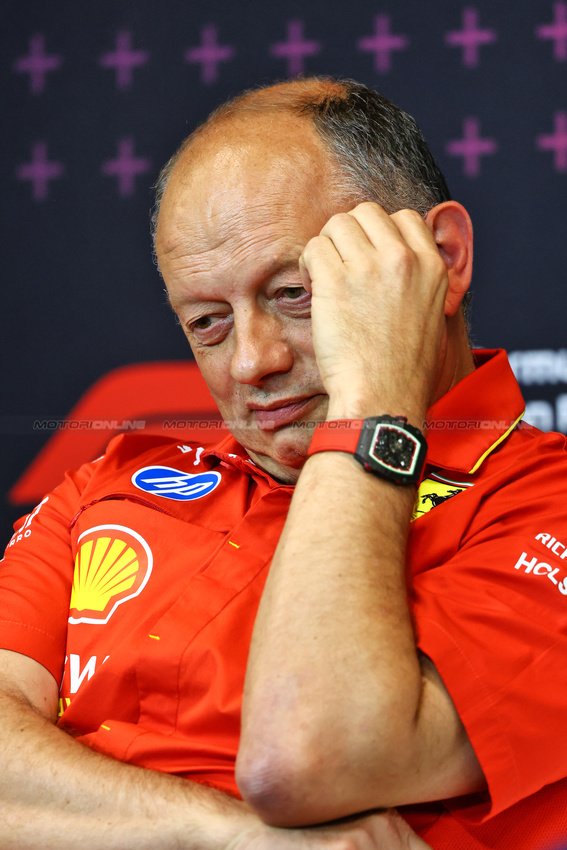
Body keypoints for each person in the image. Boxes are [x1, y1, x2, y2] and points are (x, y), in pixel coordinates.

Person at [0, 77, 566, 849]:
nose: (251, 363)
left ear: (438, 260)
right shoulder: (109, 481)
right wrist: (229, 838)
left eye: (296, 294)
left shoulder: (543, 500)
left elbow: (307, 758)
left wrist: (373, 395)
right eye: (206, 323)